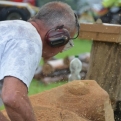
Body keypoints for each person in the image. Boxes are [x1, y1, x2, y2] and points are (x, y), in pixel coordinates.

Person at [0, 1, 80, 121]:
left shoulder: (12, 28)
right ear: (58, 36)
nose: (63, 50)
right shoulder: (29, 40)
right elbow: (13, 97)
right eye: (66, 42)